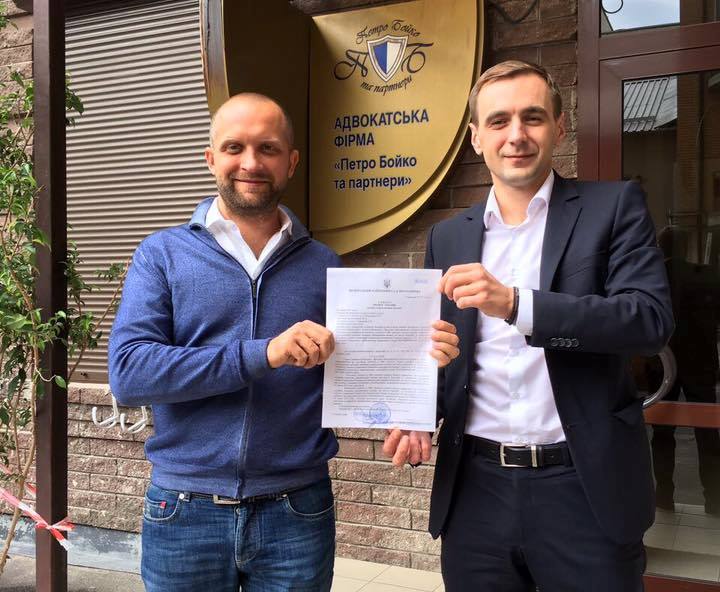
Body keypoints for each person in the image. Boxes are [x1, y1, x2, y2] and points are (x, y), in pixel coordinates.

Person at [108, 92, 460, 592]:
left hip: (296, 509)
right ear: (210, 158)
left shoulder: (323, 265)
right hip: (183, 509)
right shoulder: (162, 254)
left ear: (291, 162)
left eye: (268, 148)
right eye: (234, 147)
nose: (251, 163)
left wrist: (412, 388)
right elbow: (130, 373)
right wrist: (265, 353)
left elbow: (356, 366)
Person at [384, 61, 674, 591]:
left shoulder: (613, 207)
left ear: (559, 127)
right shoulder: (448, 237)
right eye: (498, 121)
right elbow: (446, 355)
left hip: (584, 487)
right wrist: (416, 412)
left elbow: (648, 320)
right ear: (476, 137)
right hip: (475, 491)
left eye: (532, 117)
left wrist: (517, 304)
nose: (515, 135)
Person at [651, 226, 720, 515]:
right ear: (685, 247)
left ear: (660, 248)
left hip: (662, 364)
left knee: (662, 434)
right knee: (708, 434)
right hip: (700, 362)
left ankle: (664, 497)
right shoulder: (706, 276)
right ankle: (714, 500)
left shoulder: (653, 279)